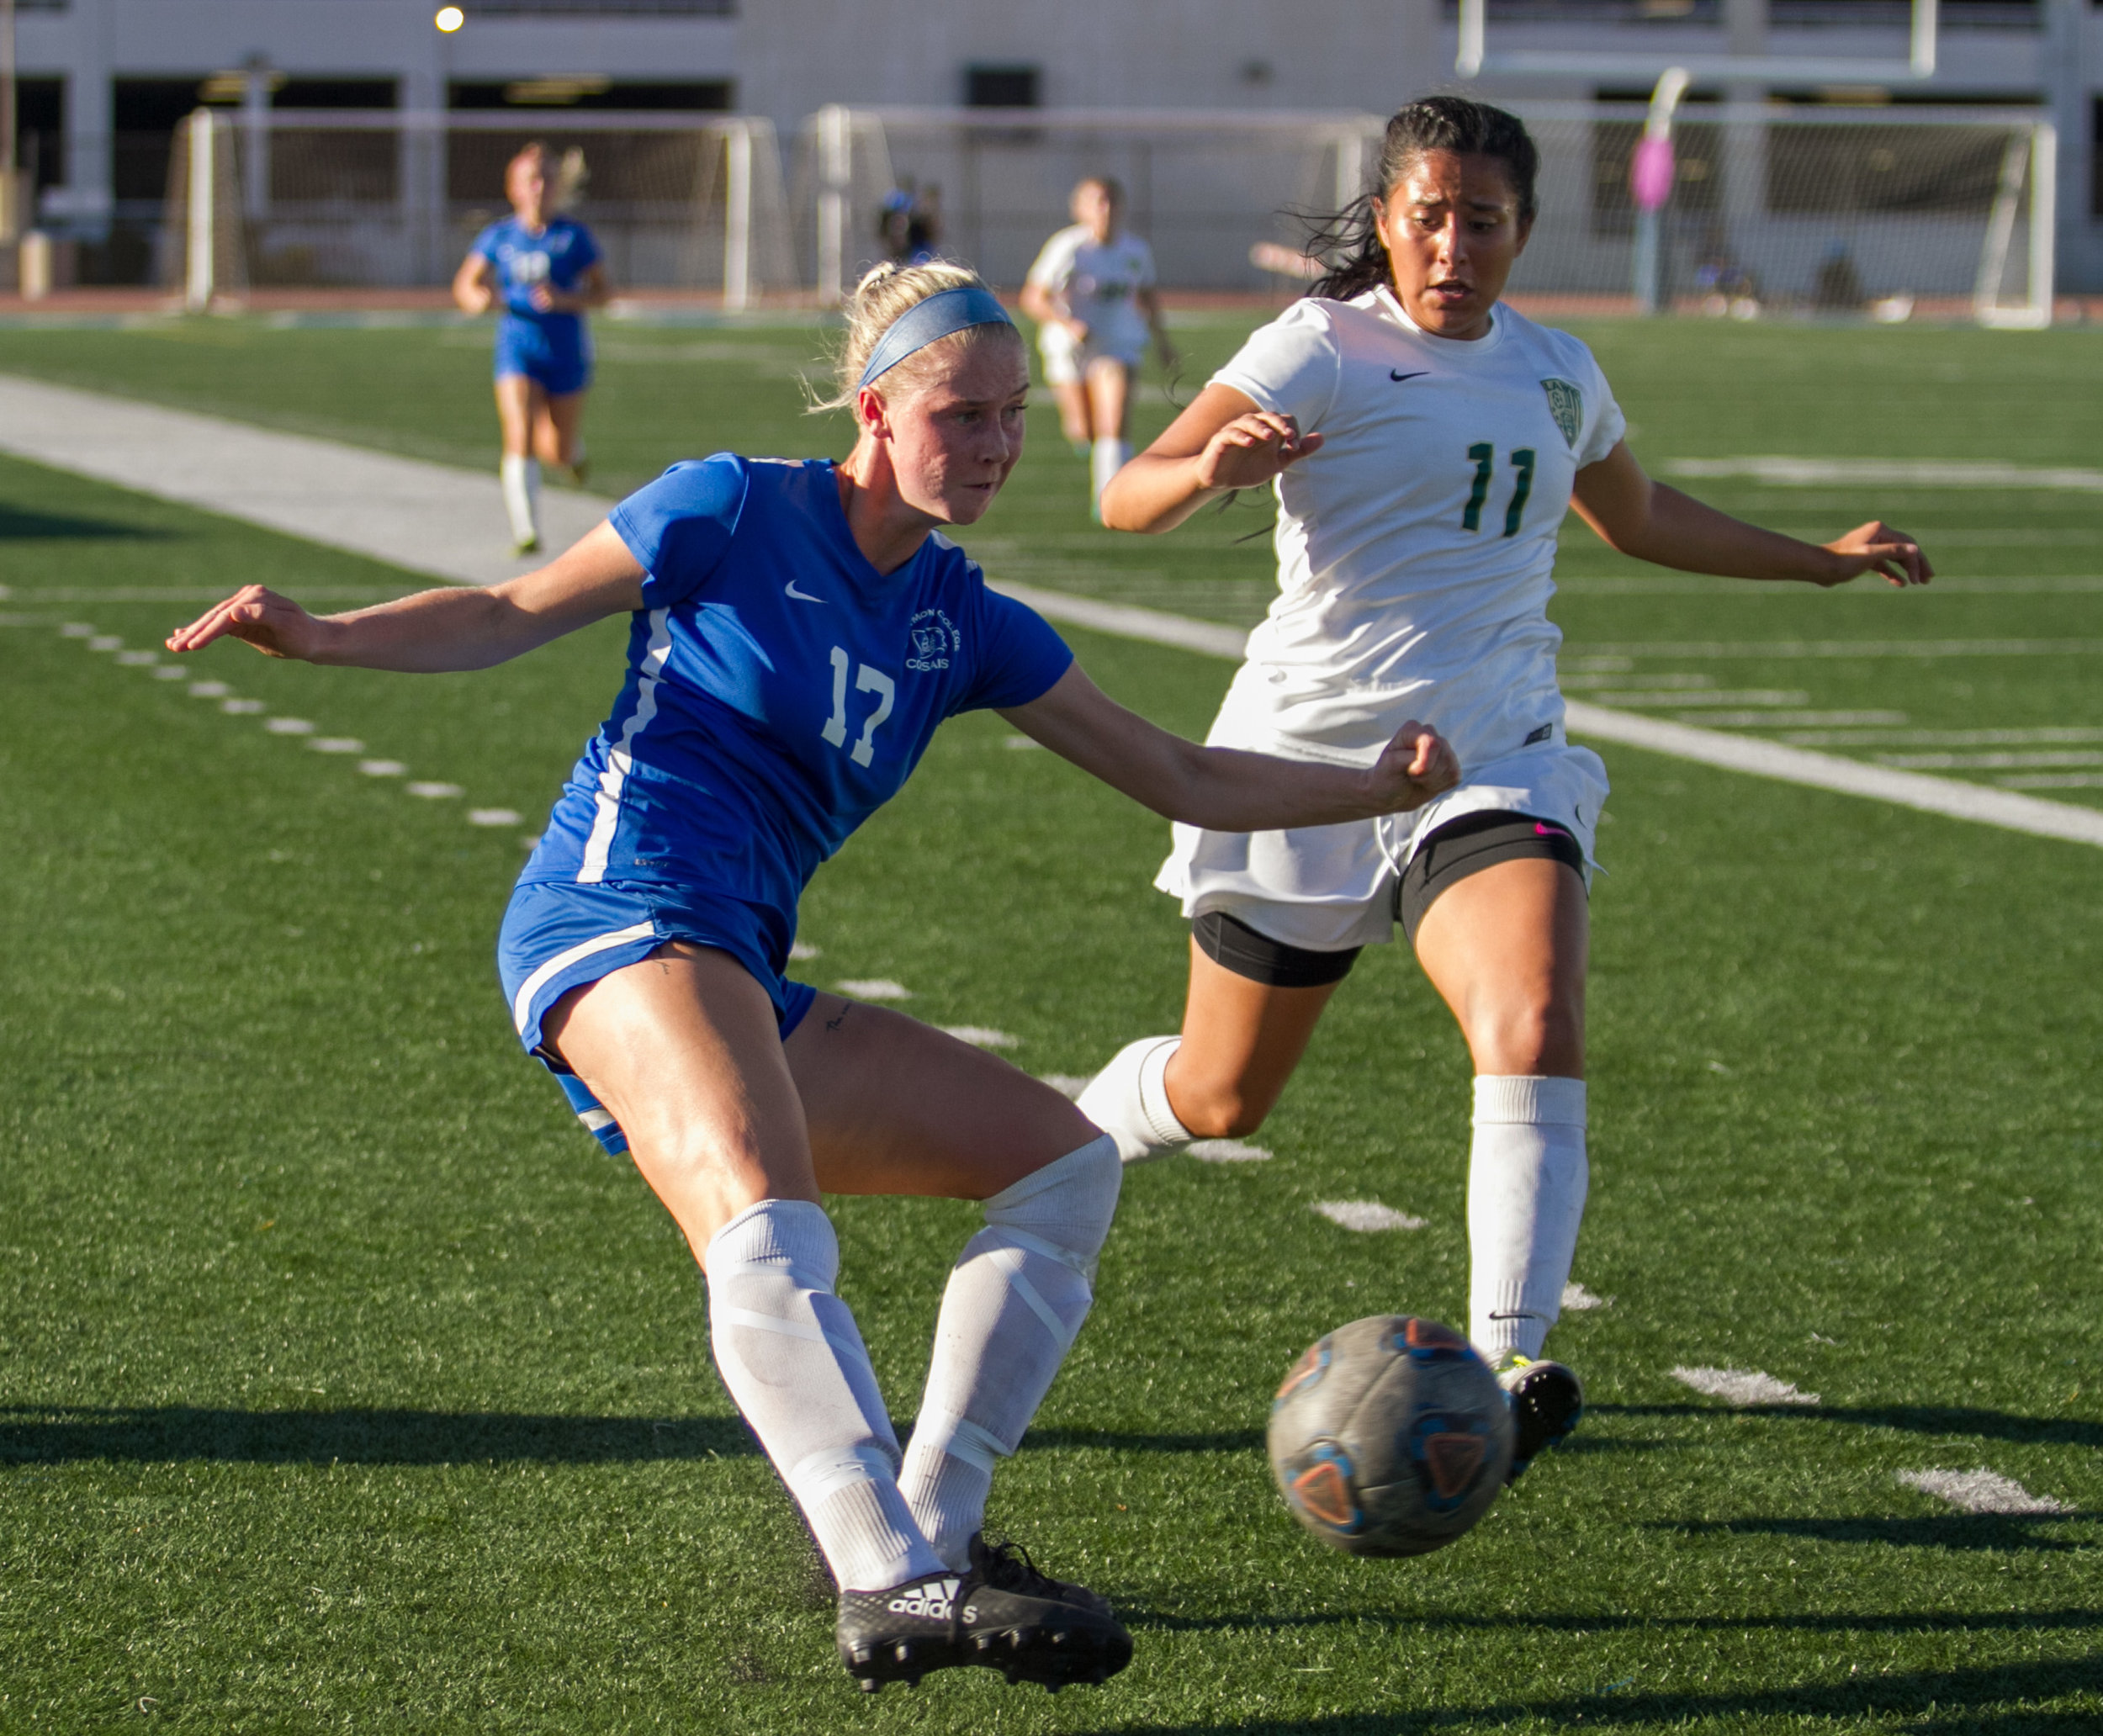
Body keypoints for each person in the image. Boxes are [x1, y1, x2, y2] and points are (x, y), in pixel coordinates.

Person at [166, 262, 1459, 1695]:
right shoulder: (728, 507)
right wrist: (324, 634)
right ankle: (891, 1571)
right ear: (877, 411)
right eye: (963, 413)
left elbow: (1175, 769)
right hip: (618, 907)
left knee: (1067, 1164)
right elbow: (506, 607)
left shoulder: (964, 618)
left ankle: (935, 1536)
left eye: (1013, 414)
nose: (996, 442)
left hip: (734, 959)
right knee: (765, 1219)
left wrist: (1368, 784)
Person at [1077, 96, 1931, 1484]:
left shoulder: (1555, 370)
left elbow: (1640, 518)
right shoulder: (1321, 345)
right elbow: (1126, 493)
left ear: (1524, 230)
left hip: (1495, 752)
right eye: (1427, 215)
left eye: (1484, 220)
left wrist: (1818, 560)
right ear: (1389, 219)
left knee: (1532, 1007)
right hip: (1306, 765)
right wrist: (1202, 469)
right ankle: (1065, 1134)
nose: (1452, 243)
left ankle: (1503, 1357)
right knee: (1221, 1092)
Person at [453, 141, 612, 555]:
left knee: (555, 448)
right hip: (517, 350)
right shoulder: (500, 236)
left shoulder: (573, 237)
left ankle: (573, 456)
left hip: (566, 351)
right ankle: (526, 530)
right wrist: (478, 300)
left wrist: (565, 299)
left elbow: (603, 294)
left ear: (557, 186)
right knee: (519, 432)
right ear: (514, 189)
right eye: (530, 180)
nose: (538, 188)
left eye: (546, 179)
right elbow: (465, 284)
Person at [1018, 177, 1177, 516]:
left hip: (1117, 344)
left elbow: (1147, 296)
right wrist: (1068, 325)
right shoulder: (1068, 247)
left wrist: (1164, 343)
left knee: (1115, 419)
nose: (1105, 210)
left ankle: (1109, 496)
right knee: (1083, 429)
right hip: (1069, 347)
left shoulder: (1135, 251)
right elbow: (1033, 298)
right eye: (1097, 202)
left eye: (1111, 201)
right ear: (1080, 208)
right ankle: (1088, 445)